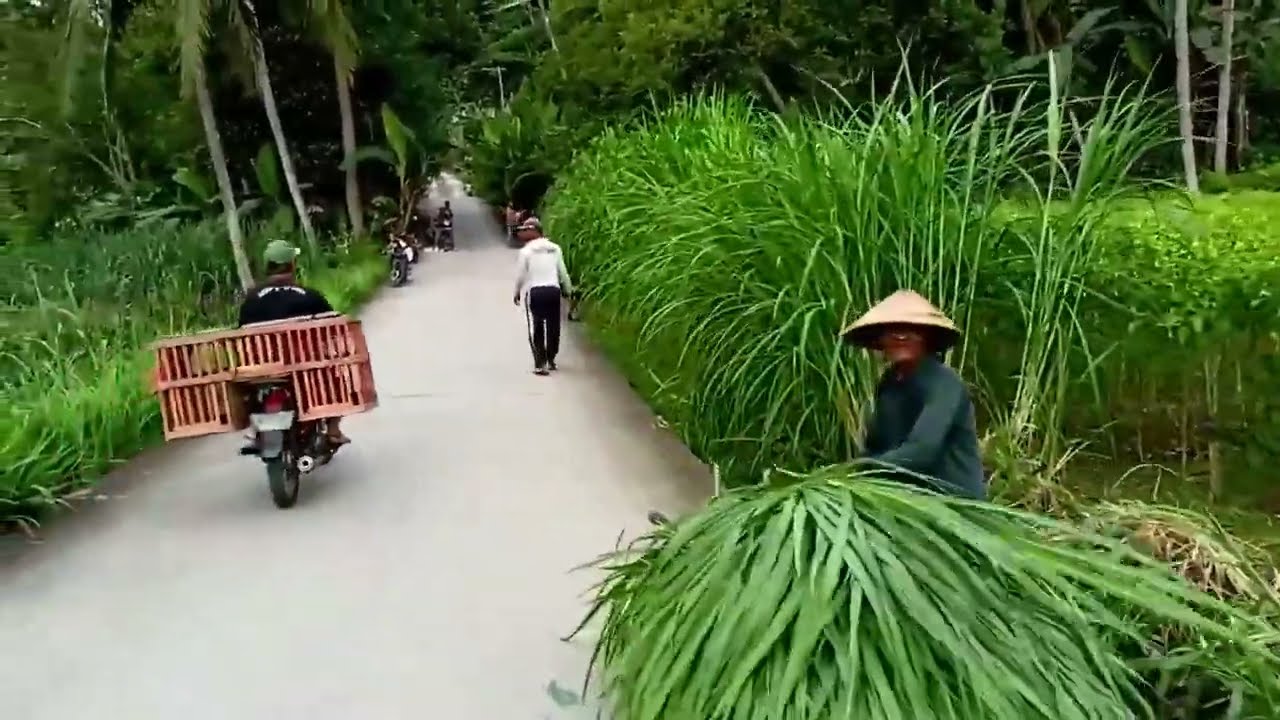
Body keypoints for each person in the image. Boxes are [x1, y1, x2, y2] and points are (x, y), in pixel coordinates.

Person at [841, 290, 985, 500]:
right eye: (892, 330)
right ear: (880, 339)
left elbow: (921, 451)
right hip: (906, 497)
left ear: (928, 338)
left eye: (912, 330)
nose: (900, 335)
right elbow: (877, 446)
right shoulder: (889, 384)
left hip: (953, 502)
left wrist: (864, 468)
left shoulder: (944, 383)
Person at [238, 240, 350, 446]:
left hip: (264, 369)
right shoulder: (309, 296)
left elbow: (243, 331)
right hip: (305, 366)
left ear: (267, 266)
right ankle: (333, 429)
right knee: (336, 378)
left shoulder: (251, 300)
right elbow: (331, 327)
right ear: (291, 265)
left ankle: (255, 429)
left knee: (251, 387)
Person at [512, 217, 573, 375]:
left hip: (537, 291)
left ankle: (540, 363)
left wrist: (517, 291)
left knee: (538, 326)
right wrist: (569, 289)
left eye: (525, 230)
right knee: (554, 327)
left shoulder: (526, 251)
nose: (522, 234)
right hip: (553, 290)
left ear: (534, 231)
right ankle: (551, 359)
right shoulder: (555, 248)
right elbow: (563, 272)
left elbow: (520, 274)